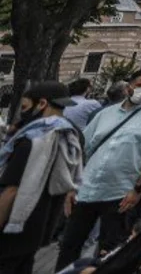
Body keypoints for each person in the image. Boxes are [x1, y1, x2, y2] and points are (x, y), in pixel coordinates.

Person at [54, 68, 141, 271]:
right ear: (129, 87)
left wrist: (138, 188)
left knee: (111, 250)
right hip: (87, 188)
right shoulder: (106, 113)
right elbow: (84, 148)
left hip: (120, 193)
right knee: (70, 244)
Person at [0, 81, 84, 274]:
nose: (23, 113)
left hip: (13, 224)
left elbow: (12, 190)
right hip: (38, 226)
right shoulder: (71, 135)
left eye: (25, 107)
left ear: (42, 103)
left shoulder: (34, 139)